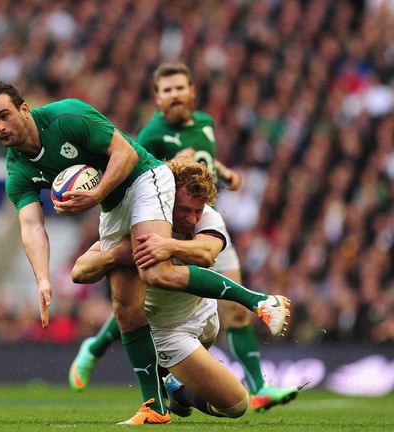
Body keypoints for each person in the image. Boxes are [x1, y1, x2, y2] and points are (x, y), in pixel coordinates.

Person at [0, 81, 290, 424]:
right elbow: (32, 226)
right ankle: (155, 406)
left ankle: (260, 302)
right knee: (125, 306)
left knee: (153, 270)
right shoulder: (17, 171)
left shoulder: (67, 116)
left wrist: (96, 194)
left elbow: (125, 153)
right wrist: (41, 278)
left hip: (142, 178)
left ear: (24, 109)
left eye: (4, 115)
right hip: (113, 208)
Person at [68, 63, 299, 412]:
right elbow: (139, 172)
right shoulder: (149, 137)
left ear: (192, 91)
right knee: (142, 291)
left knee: (229, 307)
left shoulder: (205, 125)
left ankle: (259, 383)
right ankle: (105, 352)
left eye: (180, 88)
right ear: (158, 99)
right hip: (166, 276)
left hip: (200, 228)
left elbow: (206, 166)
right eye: (167, 90)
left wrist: (221, 172)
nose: (175, 95)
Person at [71, 158, 250, 422]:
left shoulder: (207, 216)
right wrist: (118, 254)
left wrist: (168, 247)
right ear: (165, 198)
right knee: (235, 405)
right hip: (169, 333)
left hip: (205, 316)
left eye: (197, 211)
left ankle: (171, 386)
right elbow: (79, 271)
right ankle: (176, 393)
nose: (192, 220)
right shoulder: (138, 223)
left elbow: (208, 254)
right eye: (184, 210)